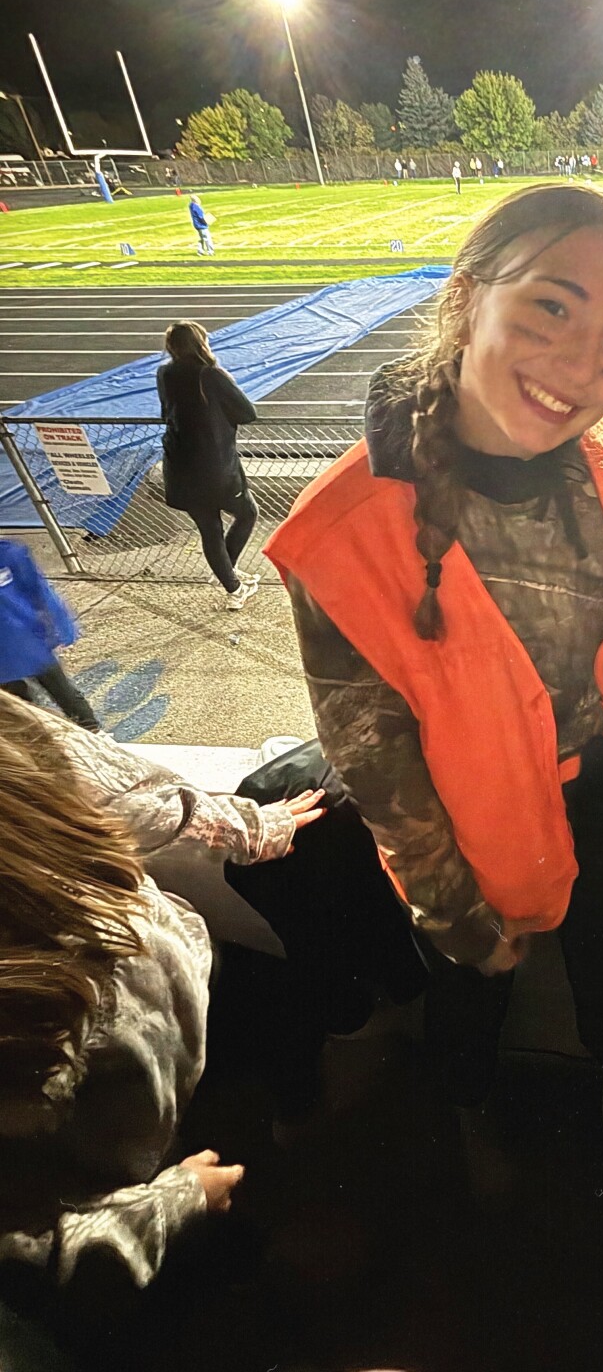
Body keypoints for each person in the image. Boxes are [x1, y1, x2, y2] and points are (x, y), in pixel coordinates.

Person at [266, 184, 603, 1122]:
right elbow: (380, 771)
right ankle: (469, 1125)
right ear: (466, 295)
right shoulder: (342, 530)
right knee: (472, 1007)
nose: (584, 367)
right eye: (552, 307)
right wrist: (457, 922)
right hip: (473, 841)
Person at [0, 693, 249, 1306]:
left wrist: (254, 826)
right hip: (115, 1205)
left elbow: (122, 790)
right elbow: (23, 1253)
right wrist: (173, 1207)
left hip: (147, 1109)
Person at [157, 321, 260, 611]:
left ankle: (229, 579)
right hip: (216, 466)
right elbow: (248, 413)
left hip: (180, 465)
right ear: (201, 342)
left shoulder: (164, 373)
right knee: (248, 513)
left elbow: (166, 412)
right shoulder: (211, 374)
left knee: (209, 529)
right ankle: (230, 579)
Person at [1, 538, 101, 731]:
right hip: (13, 645)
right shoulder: (10, 553)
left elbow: (38, 590)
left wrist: (61, 626)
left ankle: (92, 730)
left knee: (57, 686)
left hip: (26, 637)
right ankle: (36, 736)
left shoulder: (9, 554)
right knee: (17, 699)